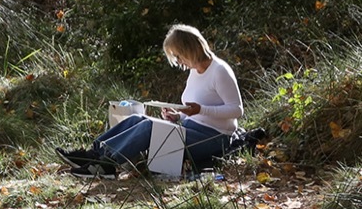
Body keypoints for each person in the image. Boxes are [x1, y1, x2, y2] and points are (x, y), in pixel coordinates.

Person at [60, 24, 243, 176]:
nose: (178, 62)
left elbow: (236, 110)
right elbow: (196, 112)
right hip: (191, 128)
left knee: (149, 127)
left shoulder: (219, 71)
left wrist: (199, 110)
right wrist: (178, 116)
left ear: (190, 49)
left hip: (214, 138)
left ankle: (107, 164)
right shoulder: (194, 71)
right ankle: (93, 154)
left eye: (178, 56)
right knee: (137, 119)